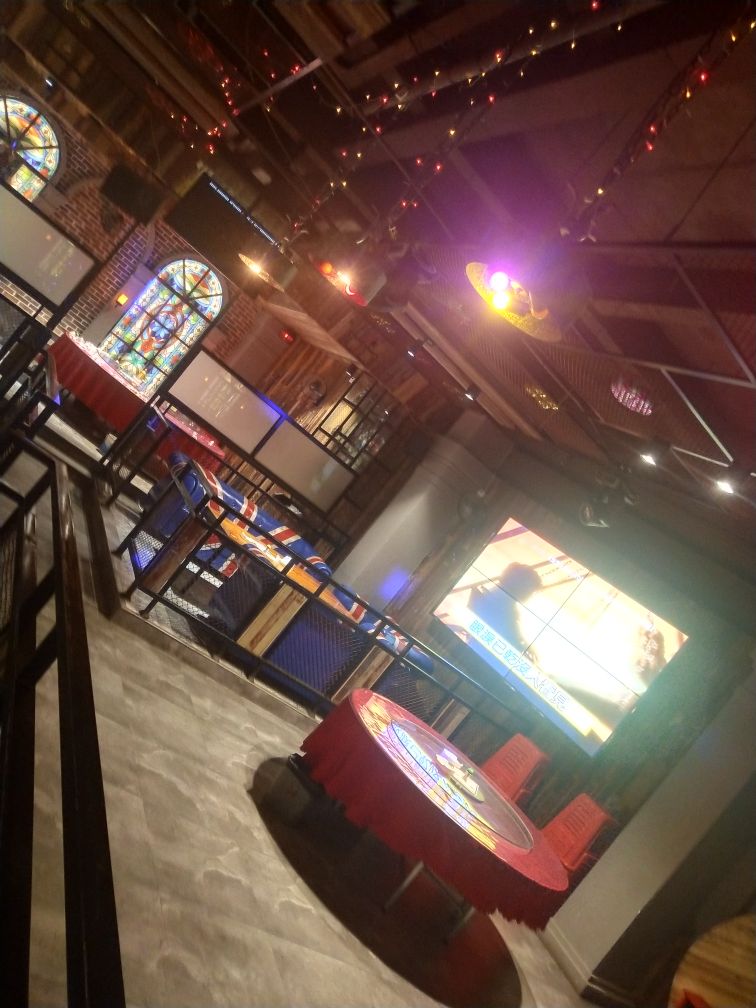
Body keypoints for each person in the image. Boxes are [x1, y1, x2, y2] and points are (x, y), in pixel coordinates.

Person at [467, 562, 543, 662]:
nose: (531, 595)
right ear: (522, 586)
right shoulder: (503, 603)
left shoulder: (498, 594)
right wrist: (522, 647)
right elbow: (505, 634)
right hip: (482, 657)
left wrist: (523, 643)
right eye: (531, 590)